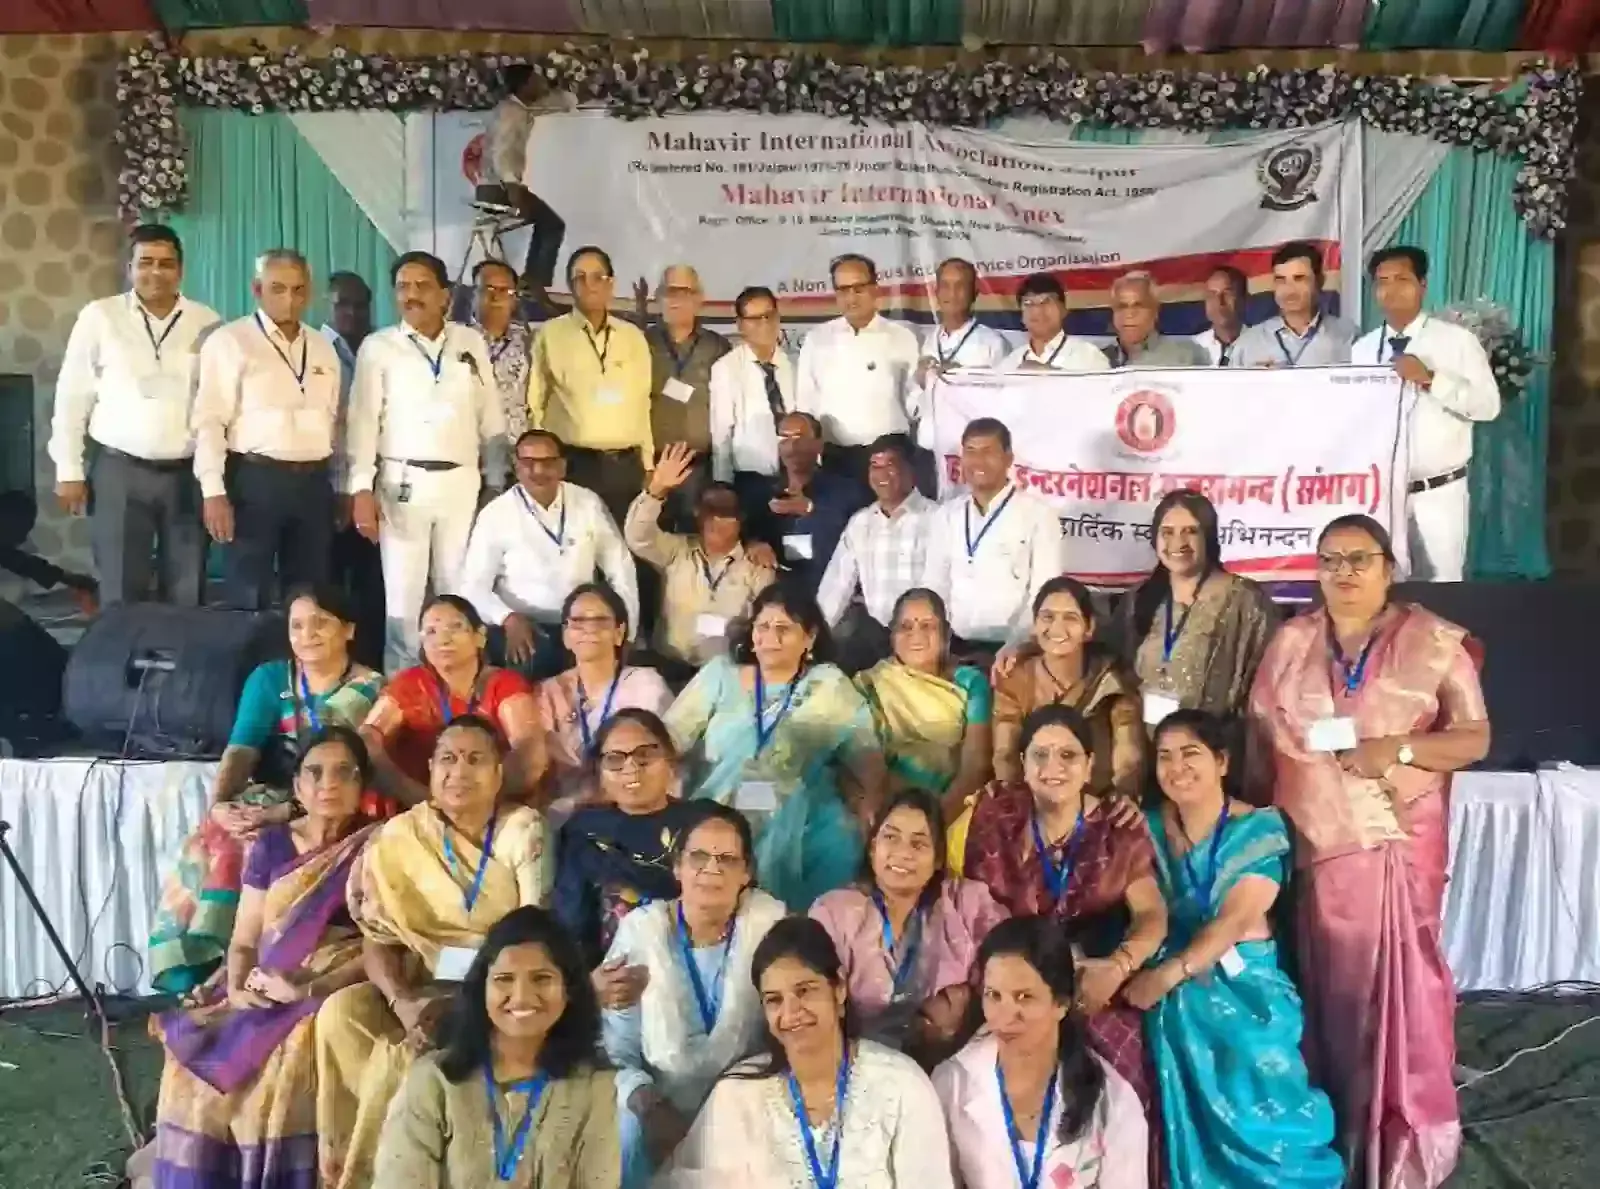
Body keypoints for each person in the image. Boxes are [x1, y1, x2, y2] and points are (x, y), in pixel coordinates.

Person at [1249, 515, 1490, 1188]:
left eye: (1359, 559)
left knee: (1401, 993)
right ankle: (1335, 1133)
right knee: (1332, 991)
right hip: (1316, 841)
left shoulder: (1433, 641)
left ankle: (1405, 1139)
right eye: (1330, 560)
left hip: (1396, 839)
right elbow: (1260, 735)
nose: (1344, 572)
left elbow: (1474, 737)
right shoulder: (1292, 641)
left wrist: (1400, 749)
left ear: (1388, 567)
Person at [315, 714, 551, 1189]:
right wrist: (402, 1000)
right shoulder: (401, 836)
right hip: (417, 984)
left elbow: (534, 940)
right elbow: (379, 938)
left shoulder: (523, 831)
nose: (459, 771)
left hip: (499, 993)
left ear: (498, 774)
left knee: (404, 1061)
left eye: (474, 759)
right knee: (340, 1013)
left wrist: (461, 1001)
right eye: (448, 759)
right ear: (430, 770)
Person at [151, 727, 382, 1189]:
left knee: (285, 1061)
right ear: (297, 786)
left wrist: (310, 987)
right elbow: (243, 939)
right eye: (315, 772)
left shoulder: (377, 846)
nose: (329, 784)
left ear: (362, 785)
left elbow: (383, 943)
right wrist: (237, 987)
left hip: (334, 980)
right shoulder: (272, 845)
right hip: (263, 975)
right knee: (192, 1070)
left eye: (344, 773)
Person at [1122, 711, 1343, 1189]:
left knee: (1250, 1056)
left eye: (1190, 754)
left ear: (1222, 762)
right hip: (1173, 973)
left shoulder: (1259, 829)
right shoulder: (1146, 828)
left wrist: (1170, 973)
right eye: (1164, 757)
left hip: (1245, 981)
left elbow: (1236, 918)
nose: (1176, 768)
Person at [962, 705, 1169, 1171]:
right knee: (979, 1070)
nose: (1052, 768)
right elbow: (979, 910)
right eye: (1040, 755)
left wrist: (1118, 965)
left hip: (1091, 981)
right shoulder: (996, 816)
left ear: (1090, 765)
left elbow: (1152, 914)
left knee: (1122, 1068)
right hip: (1015, 976)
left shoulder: (1117, 827)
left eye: (1068, 756)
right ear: (1022, 762)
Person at [149, 586, 383, 995]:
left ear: (348, 630)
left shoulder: (370, 687)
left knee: (259, 843)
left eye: (320, 623)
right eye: (297, 625)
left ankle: (257, 967)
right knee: (217, 837)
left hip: (333, 802)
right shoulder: (270, 678)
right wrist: (220, 805)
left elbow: (343, 772)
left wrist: (282, 813)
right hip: (274, 794)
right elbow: (242, 749)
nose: (307, 635)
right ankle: (204, 972)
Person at [658, 916, 955, 1187]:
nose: (790, 1013)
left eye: (804, 991)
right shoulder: (737, 1096)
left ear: (839, 988)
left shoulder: (902, 1086)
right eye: (774, 1000)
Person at [665, 584, 887, 909]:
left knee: (837, 837)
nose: (770, 637)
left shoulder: (828, 685)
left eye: (784, 628)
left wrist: (869, 803)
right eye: (763, 626)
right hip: (719, 802)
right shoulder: (720, 675)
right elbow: (670, 737)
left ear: (810, 638)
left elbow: (865, 753)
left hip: (804, 810)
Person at [603, 801, 787, 1187]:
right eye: (698, 857)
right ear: (677, 866)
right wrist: (648, 1105)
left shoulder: (769, 928)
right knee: (625, 1126)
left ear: (747, 872)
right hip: (657, 1107)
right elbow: (614, 1051)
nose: (712, 870)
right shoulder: (641, 934)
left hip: (746, 1103)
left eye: (727, 859)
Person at [372, 905, 619, 1188]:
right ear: (482, 990)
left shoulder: (596, 1087)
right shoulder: (434, 1081)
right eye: (504, 979)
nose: (522, 996)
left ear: (570, 990)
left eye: (542, 978)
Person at [346, 250, 507, 672]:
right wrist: (360, 489)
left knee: (459, 596)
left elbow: (491, 416)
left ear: (445, 295)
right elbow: (362, 423)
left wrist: (495, 482)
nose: (411, 295)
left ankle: (461, 687)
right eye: (403, 287)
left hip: (462, 484)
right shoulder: (379, 347)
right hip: (402, 483)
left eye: (422, 286)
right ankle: (401, 690)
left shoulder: (469, 342)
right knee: (404, 601)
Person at [49, 223, 220, 606]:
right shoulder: (100, 317)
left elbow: (217, 400)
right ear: (129, 268)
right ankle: (123, 648)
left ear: (181, 270)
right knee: (121, 588)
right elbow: (72, 395)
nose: (156, 272)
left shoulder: (207, 321)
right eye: (146, 262)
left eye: (166, 263)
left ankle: (179, 648)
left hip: (186, 475)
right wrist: (69, 469)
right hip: (119, 471)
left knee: (187, 588)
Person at [933, 915, 1149, 1189]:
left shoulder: (1113, 1102)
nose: (1006, 1017)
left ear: (1061, 1004)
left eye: (1024, 997)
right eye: (994, 995)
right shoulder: (952, 1083)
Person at [194, 249, 343, 609]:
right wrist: (213, 492)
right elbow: (210, 420)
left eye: (298, 289)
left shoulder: (323, 347)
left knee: (309, 595)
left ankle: (298, 650)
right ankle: (251, 649)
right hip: (255, 481)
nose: (289, 299)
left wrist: (340, 486)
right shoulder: (231, 341)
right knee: (250, 594)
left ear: (309, 292)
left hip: (313, 483)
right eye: (278, 288)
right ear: (257, 289)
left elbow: (336, 423)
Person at [810, 790, 1006, 1062]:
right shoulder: (834, 913)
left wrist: (968, 1012)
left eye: (919, 844)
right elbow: (815, 1000)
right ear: (873, 847)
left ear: (938, 859)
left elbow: (1008, 973)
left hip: (954, 1064)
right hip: (854, 1064)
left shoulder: (967, 904)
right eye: (891, 838)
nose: (903, 853)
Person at [1355, 246, 1501, 582]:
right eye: (1382, 282)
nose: (1391, 290)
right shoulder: (1362, 349)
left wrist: (1431, 379)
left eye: (1402, 280)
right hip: (1382, 494)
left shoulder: (1457, 342)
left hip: (1440, 492)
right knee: (1384, 585)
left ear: (1422, 285)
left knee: (1443, 589)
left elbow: (1488, 406)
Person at [459, 429, 640, 681]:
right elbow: (473, 586)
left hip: (580, 622)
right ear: (517, 467)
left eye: (547, 462)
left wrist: (627, 630)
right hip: (525, 625)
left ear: (562, 466)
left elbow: (619, 568)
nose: (538, 471)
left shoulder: (587, 502)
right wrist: (508, 618)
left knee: (600, 673)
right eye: (528, 462)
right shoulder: (496, 514)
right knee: (525, 659)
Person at [359, 595, 544, 808]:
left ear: (480, 636)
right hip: (418, 807)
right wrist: (415, 795)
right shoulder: (409, 684)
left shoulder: (504, 684)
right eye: (431, 631)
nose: (443, 640)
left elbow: (529, 752)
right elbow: (368, 735)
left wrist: (477, 803)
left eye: (455, 627)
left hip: (494, 807)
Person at [551, 709, 704, 967]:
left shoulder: (704, 823)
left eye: (645, 755)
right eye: (615, 759)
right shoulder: (582, 831)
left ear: (670, 760)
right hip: (614, 973)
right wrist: (591, 982)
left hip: (699, 968)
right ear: (599, 771)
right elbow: (572, 926)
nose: (631, 768)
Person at [1111, 491, 1278, 723]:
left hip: (1212, 739)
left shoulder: (1244, 601)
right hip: (1144, 739)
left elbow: (1267, 689)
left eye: (1190, 531)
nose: (1178, 542)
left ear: (1207, 537)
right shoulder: (1139, 599)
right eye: (1167, 532)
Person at [624, 442, 777, 677]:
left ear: (741, 518)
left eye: (726, 512)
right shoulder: (677, 550)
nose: (716, 518)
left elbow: (767, 622)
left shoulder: (757, 566)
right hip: (670, 667)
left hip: (727, 674)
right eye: (709, 509)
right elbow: (638, 537)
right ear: (697, 512)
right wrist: (657, 490)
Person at [921, 418, 1065, 663]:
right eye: (971, 452)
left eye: (988, 452)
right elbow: (934, 584)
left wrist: (1016, 647)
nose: (978, 461)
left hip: (1015, 651)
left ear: (1008, 459)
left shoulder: (1039, 515)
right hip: (954, 648)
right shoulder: (946, 515)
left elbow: (1044, 594)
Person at [528, 246, 654, 525]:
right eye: (580, 277)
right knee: (575, 544)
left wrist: (648, 465)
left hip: (625, 470)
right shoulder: (550, 334)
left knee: (623, 546)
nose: (589, 285)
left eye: (598, 277)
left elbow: (643, 402)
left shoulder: (633, 337)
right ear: (570, 285)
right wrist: (542, 464)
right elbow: (535, 403)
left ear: (611, 284)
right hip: (573, 466)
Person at [990, 577, 1143, 800]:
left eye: (1070, 618)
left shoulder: (1113, 680)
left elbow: (1128, 758)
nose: (1057, 628)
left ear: (1089, 628)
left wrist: (1121, 800)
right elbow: (1005, 754)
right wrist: (1012, 800)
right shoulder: (1014, 679)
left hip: (1097, 803)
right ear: (1035, 625)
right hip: (1033, 801)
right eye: (1047, 617)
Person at [854, 589, 994, 828]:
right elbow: (864, 762)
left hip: (956, 808)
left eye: (927, 626)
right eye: (905, 626)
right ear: (892, 635)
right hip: (885, 806)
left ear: (946, 633)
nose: (916, 635)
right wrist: (899, 819)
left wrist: (936, 823)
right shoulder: (869, 684)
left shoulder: (971, 683)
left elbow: (975, 765)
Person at [533, 584, 673, 810]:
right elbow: (539, 768)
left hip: (634, 804)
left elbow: (661, 760)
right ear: (566, 635)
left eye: (600, 621)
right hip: (566, 809)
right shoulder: (548, 692)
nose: (589, 629)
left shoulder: (646, 684)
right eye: (578, 622)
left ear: (619, 633)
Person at [796, 254, 922, 489]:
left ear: (875, 289)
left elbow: (915, 403)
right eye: (843, 290)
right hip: (836, 461)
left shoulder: (902, 337)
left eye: (858, 288)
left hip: (890, 459)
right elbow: (806, 405)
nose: (851, 297)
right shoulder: (817, 339)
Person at [816, 434, 937, 675]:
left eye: (890, 465)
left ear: (911, 470)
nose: (881, 474)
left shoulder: (937, 518)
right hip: (876, 640)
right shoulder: (861, 523)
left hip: (924, 638)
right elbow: (836, 585)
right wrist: (815, 636)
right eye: (875, 466)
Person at [323, 271, 385, 668]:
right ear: (327, 305)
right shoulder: (314, 348)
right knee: (328, 583)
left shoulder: (384, 348)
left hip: (375, 488)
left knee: (373, 586)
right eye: (342, 304)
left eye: (360, 305)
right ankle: (331, 665)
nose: (352, 312)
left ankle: (369, 666)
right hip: (326, 488)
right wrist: (341, 489)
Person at [643, 264, 731, 531]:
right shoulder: (641, 342)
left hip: (701, 467)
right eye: (669, 291)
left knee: (696, 540)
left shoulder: (717, 346)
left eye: (685, 291)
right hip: (653, 467)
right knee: (650, 540)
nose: (676, 299)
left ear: (699, 298)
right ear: (658, 297)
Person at [912, 258, 1010, 494]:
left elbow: (1004, 405)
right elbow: (914, 404)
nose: (952, 293)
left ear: (974, 292)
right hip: (927, 455)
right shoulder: (929, 341)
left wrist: (962, 380)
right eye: (945, 286)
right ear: (936, 292)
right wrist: (921, 382)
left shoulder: (993, 344)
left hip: (968, 458)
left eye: (960, 286)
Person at [484, 63, 575, 304]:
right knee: (552, 224)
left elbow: (550, 105)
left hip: (499, 186)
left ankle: (533, 281)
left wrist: (571, 97)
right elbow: (502, 152)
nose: (541, 84)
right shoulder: (511, 113)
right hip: (498, 188)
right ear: (524, 85)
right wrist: (513, 189)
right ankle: (534, 283)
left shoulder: (517, 108)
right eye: (536, 80)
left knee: (548, 223)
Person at [750, 411, 865, 597]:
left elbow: (860, 530)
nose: (792, 446)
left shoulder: (845, 489)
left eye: (800, 438)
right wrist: (755, 544)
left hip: (833, 594)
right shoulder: (764, 493)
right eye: (785, 438)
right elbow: (750, 531)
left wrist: (811, 509)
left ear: (819, 445)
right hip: (783, 595)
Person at [709, 285, 793, 513]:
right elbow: (722, 432)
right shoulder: (727, 368)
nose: (764, 324)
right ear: (740, 324)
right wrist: (723, 485)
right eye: (754, 319)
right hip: (751, 483)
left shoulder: (794, 364)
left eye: (769, 316)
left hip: (796, 480)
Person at [1226, 241, 1355, 368]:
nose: (1289, 290)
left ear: (1320, 281)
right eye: (1281, 280)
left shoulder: (1349, 337)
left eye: (1299, 278)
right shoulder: (1247, 344)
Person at [470, 258, 537, 444]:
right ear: (474, 294)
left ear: (514, 299)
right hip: (468, 448)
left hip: (516, 448)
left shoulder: (530, 343)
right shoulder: (456, 340)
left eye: (505, 290)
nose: (496, 297)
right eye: (488, 289)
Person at [1000, 273, 1108, 373]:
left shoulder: (1089, 356)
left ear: (1064, 310)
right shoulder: (1010, 364)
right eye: (1028, 303)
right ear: (1021, 316)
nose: (1037, 310)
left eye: (1047, 301)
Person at [1103, 272, 1210, 369]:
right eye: (1122, 306)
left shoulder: (1187, 356)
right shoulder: (1098, 359)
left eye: (1139, 305)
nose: (1130, 314)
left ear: (1155, 311)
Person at [1191, 265, 1248, 366]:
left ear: (1243, 299)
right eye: (1212, 294)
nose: (1219, 302)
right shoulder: (1192, 347)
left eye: (1227, 293)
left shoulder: (1262, 345)